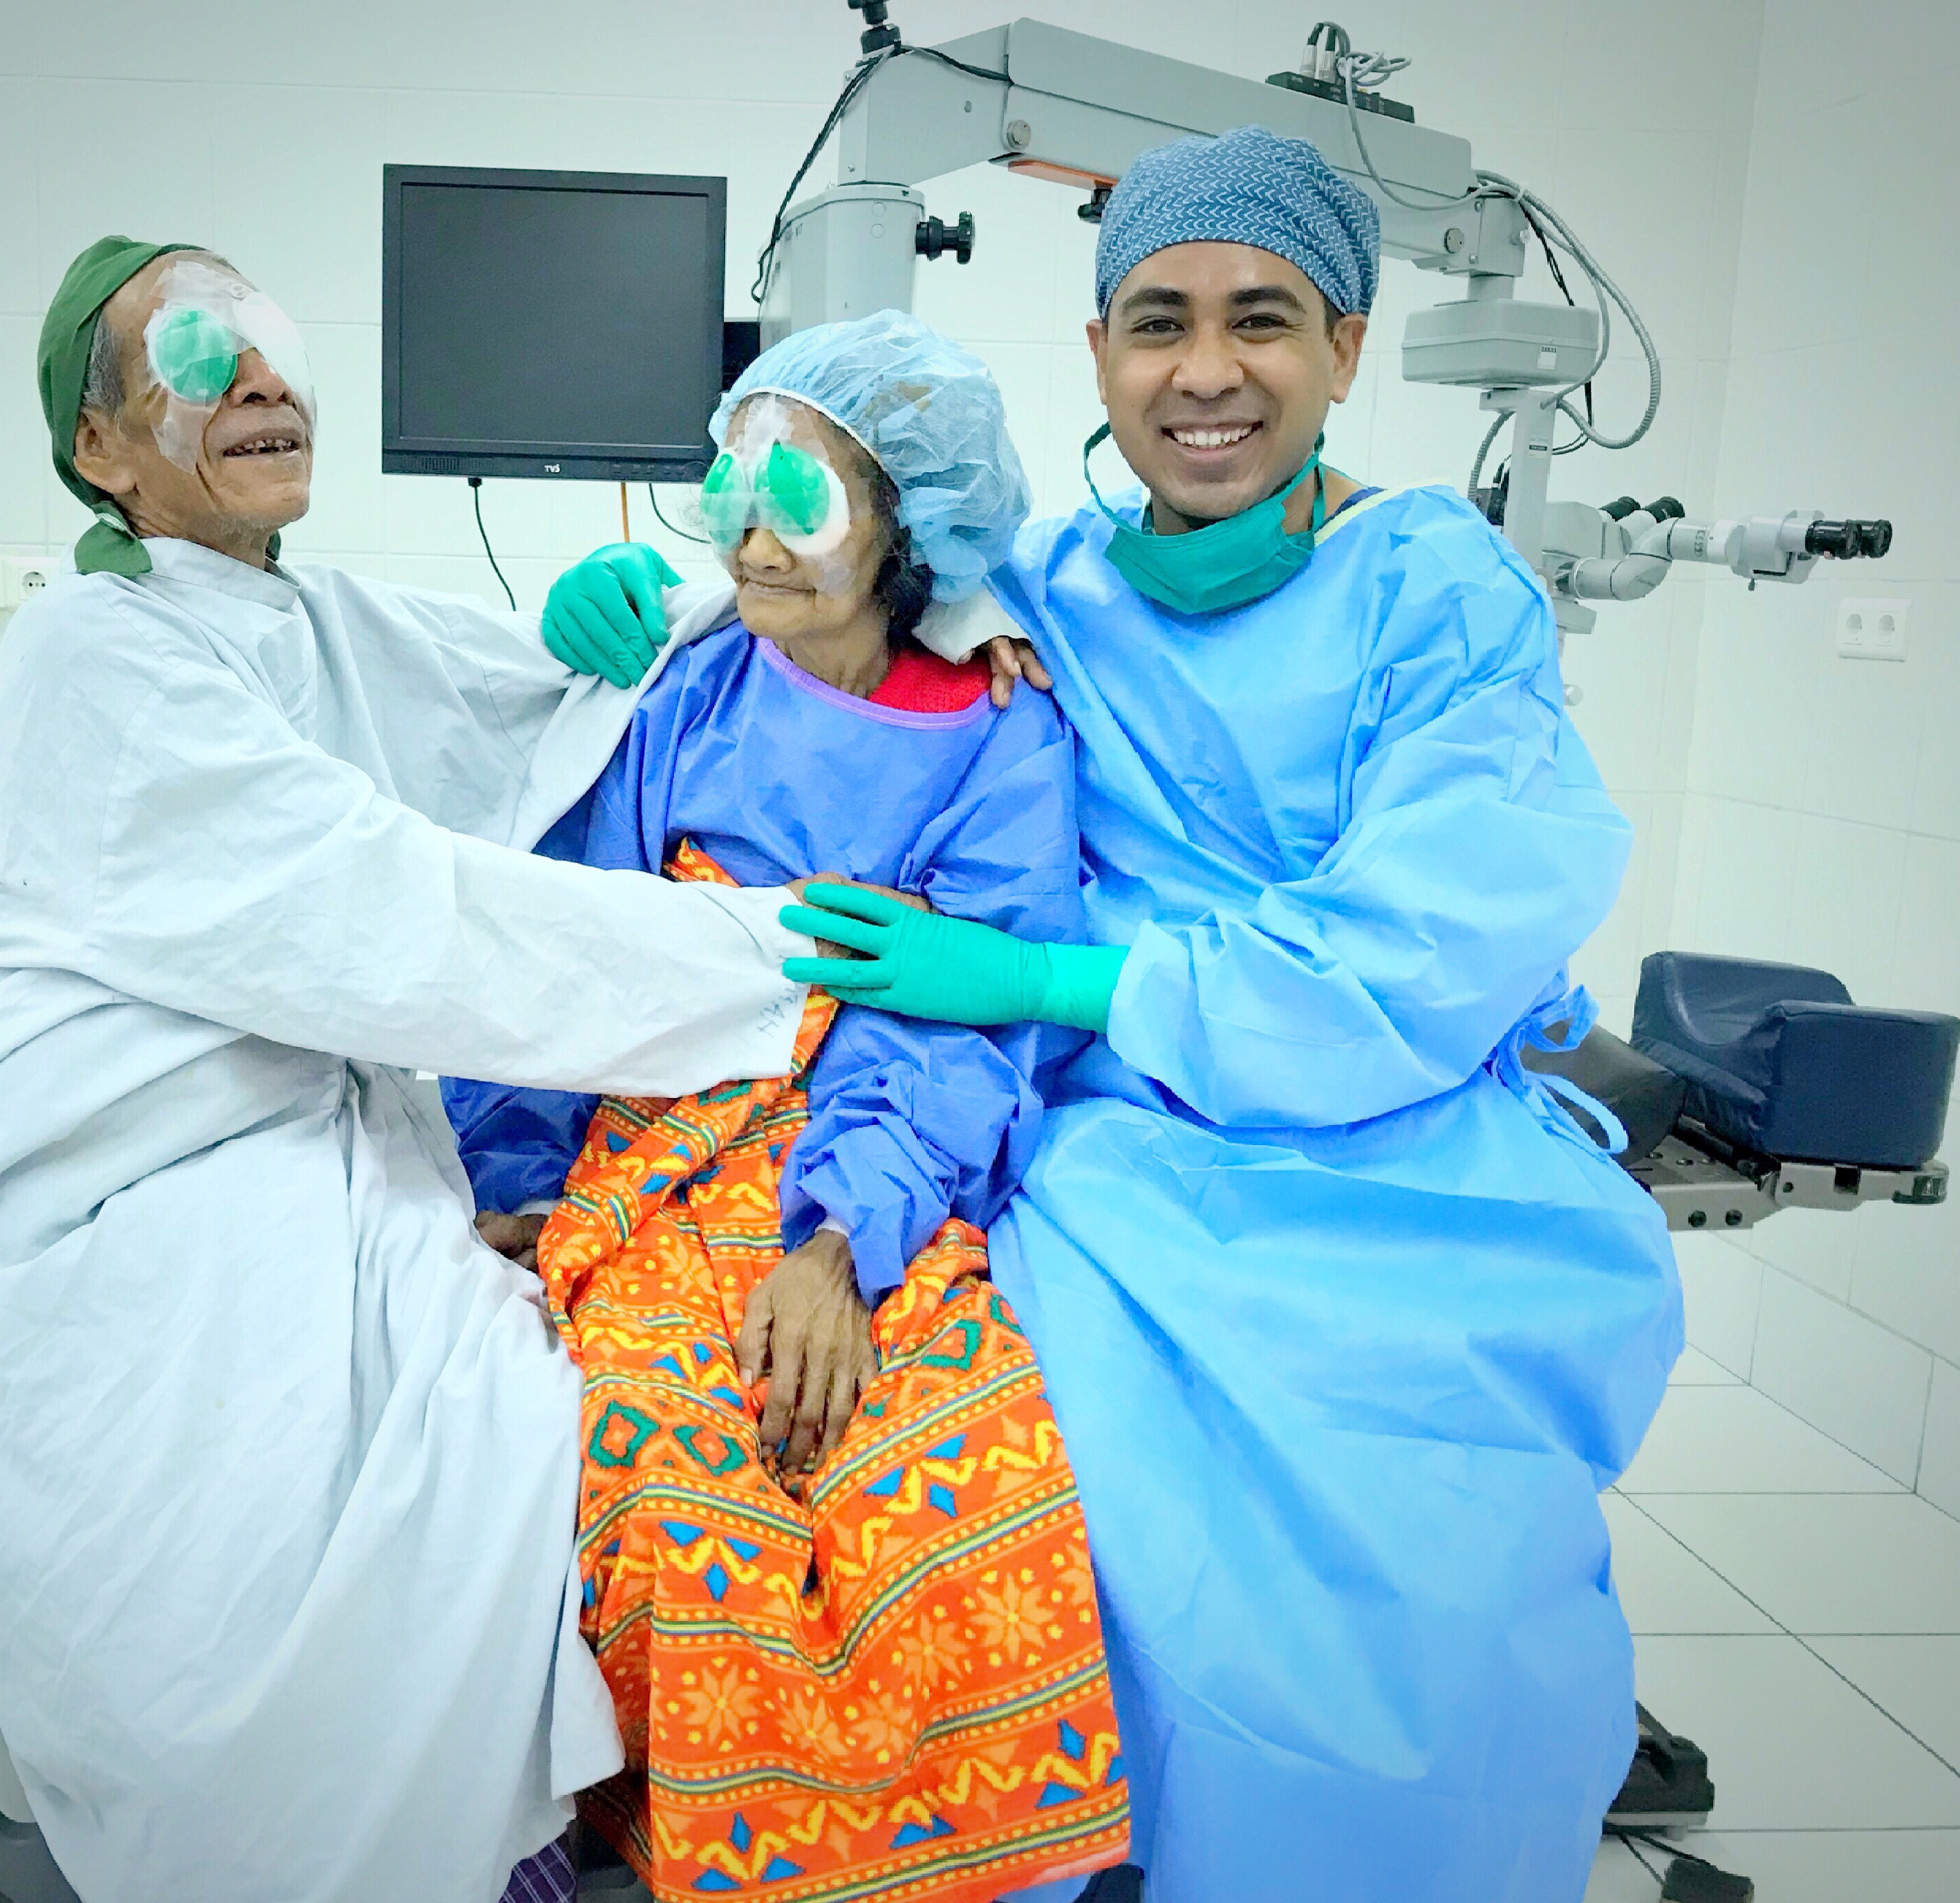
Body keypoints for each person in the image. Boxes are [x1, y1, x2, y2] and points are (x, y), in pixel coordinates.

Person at [547, 129, 1683, 1903]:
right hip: (1109, 1137)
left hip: (1393, 1140)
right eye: (1157, 322)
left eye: (1264, 320)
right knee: (1037, 1457)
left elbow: (1419, 944)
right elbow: (838, 595)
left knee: (1409, 1564)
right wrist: (662, 604)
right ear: (1094, 353)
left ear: (1348, 346)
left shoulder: (1441, 593)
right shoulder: (1049, 589)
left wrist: (1052, 978)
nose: (1206, 370)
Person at [0, 237, 828, 1903]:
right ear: (103, 449)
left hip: (316, 1127)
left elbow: (513, 693)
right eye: (200, 352)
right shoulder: (96, 652)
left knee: (482, 1403)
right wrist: (790, 956)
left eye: (276, 343)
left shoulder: (307, 616)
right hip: (109, 1181)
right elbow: (400, 913)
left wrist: (681, 599)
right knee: (415, 1470)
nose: (263, 378)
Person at [447, 312, 1128, 1903]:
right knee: (661, 1492)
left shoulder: (1000, 734)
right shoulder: (688, 681)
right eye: (732, 492)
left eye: (801, 503)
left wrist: (837, 1247)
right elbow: (566, 943)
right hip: (649, 1153)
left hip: (865, 1157)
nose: (751, 536)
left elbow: (951, 1030)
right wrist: (502, 1175)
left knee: (960, 1488)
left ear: (913, 529)